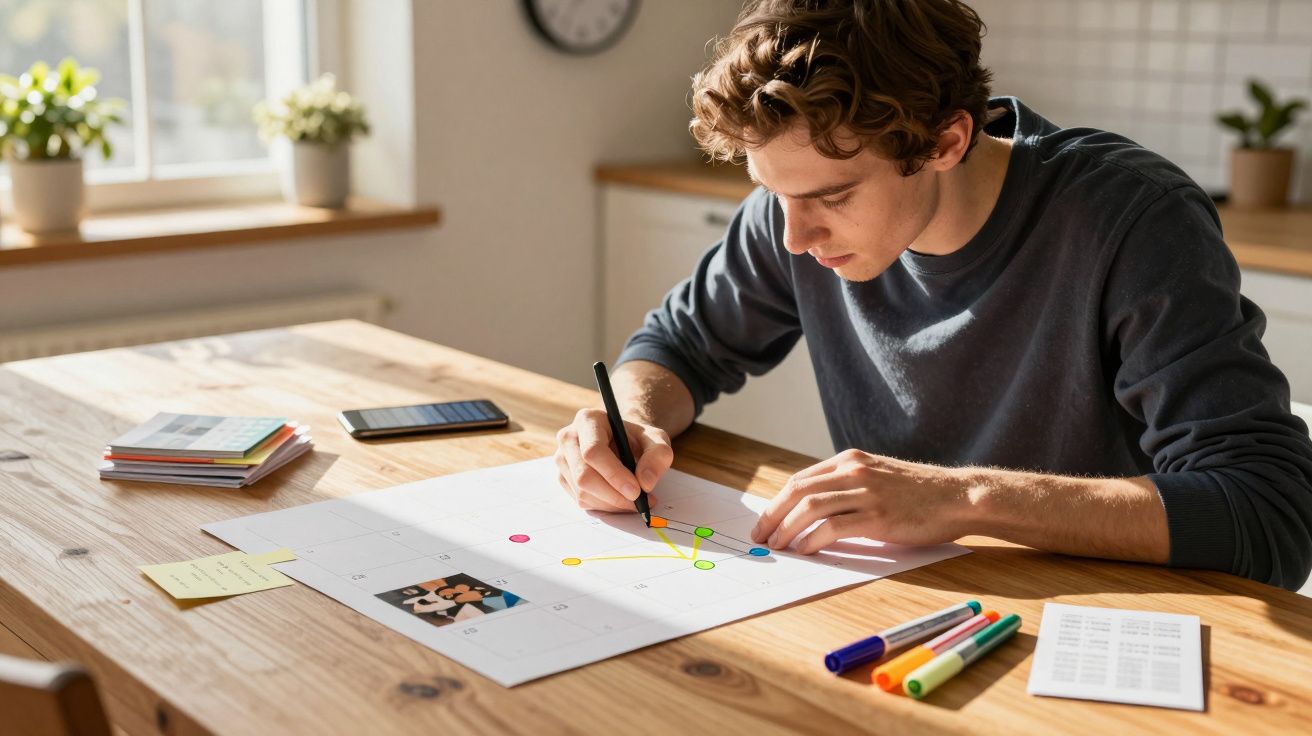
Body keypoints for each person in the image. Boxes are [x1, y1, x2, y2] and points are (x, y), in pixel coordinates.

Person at [553, 0, 1312, 590]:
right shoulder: (794, 210)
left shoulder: (1130, 221)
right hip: (902, 603)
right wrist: (630, 421)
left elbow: (1268, 513)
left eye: (835, 196)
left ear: (948, 140)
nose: (792, 238)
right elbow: (678, 347)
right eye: (770, 191)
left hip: (1102, 625)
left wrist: (964, 499)